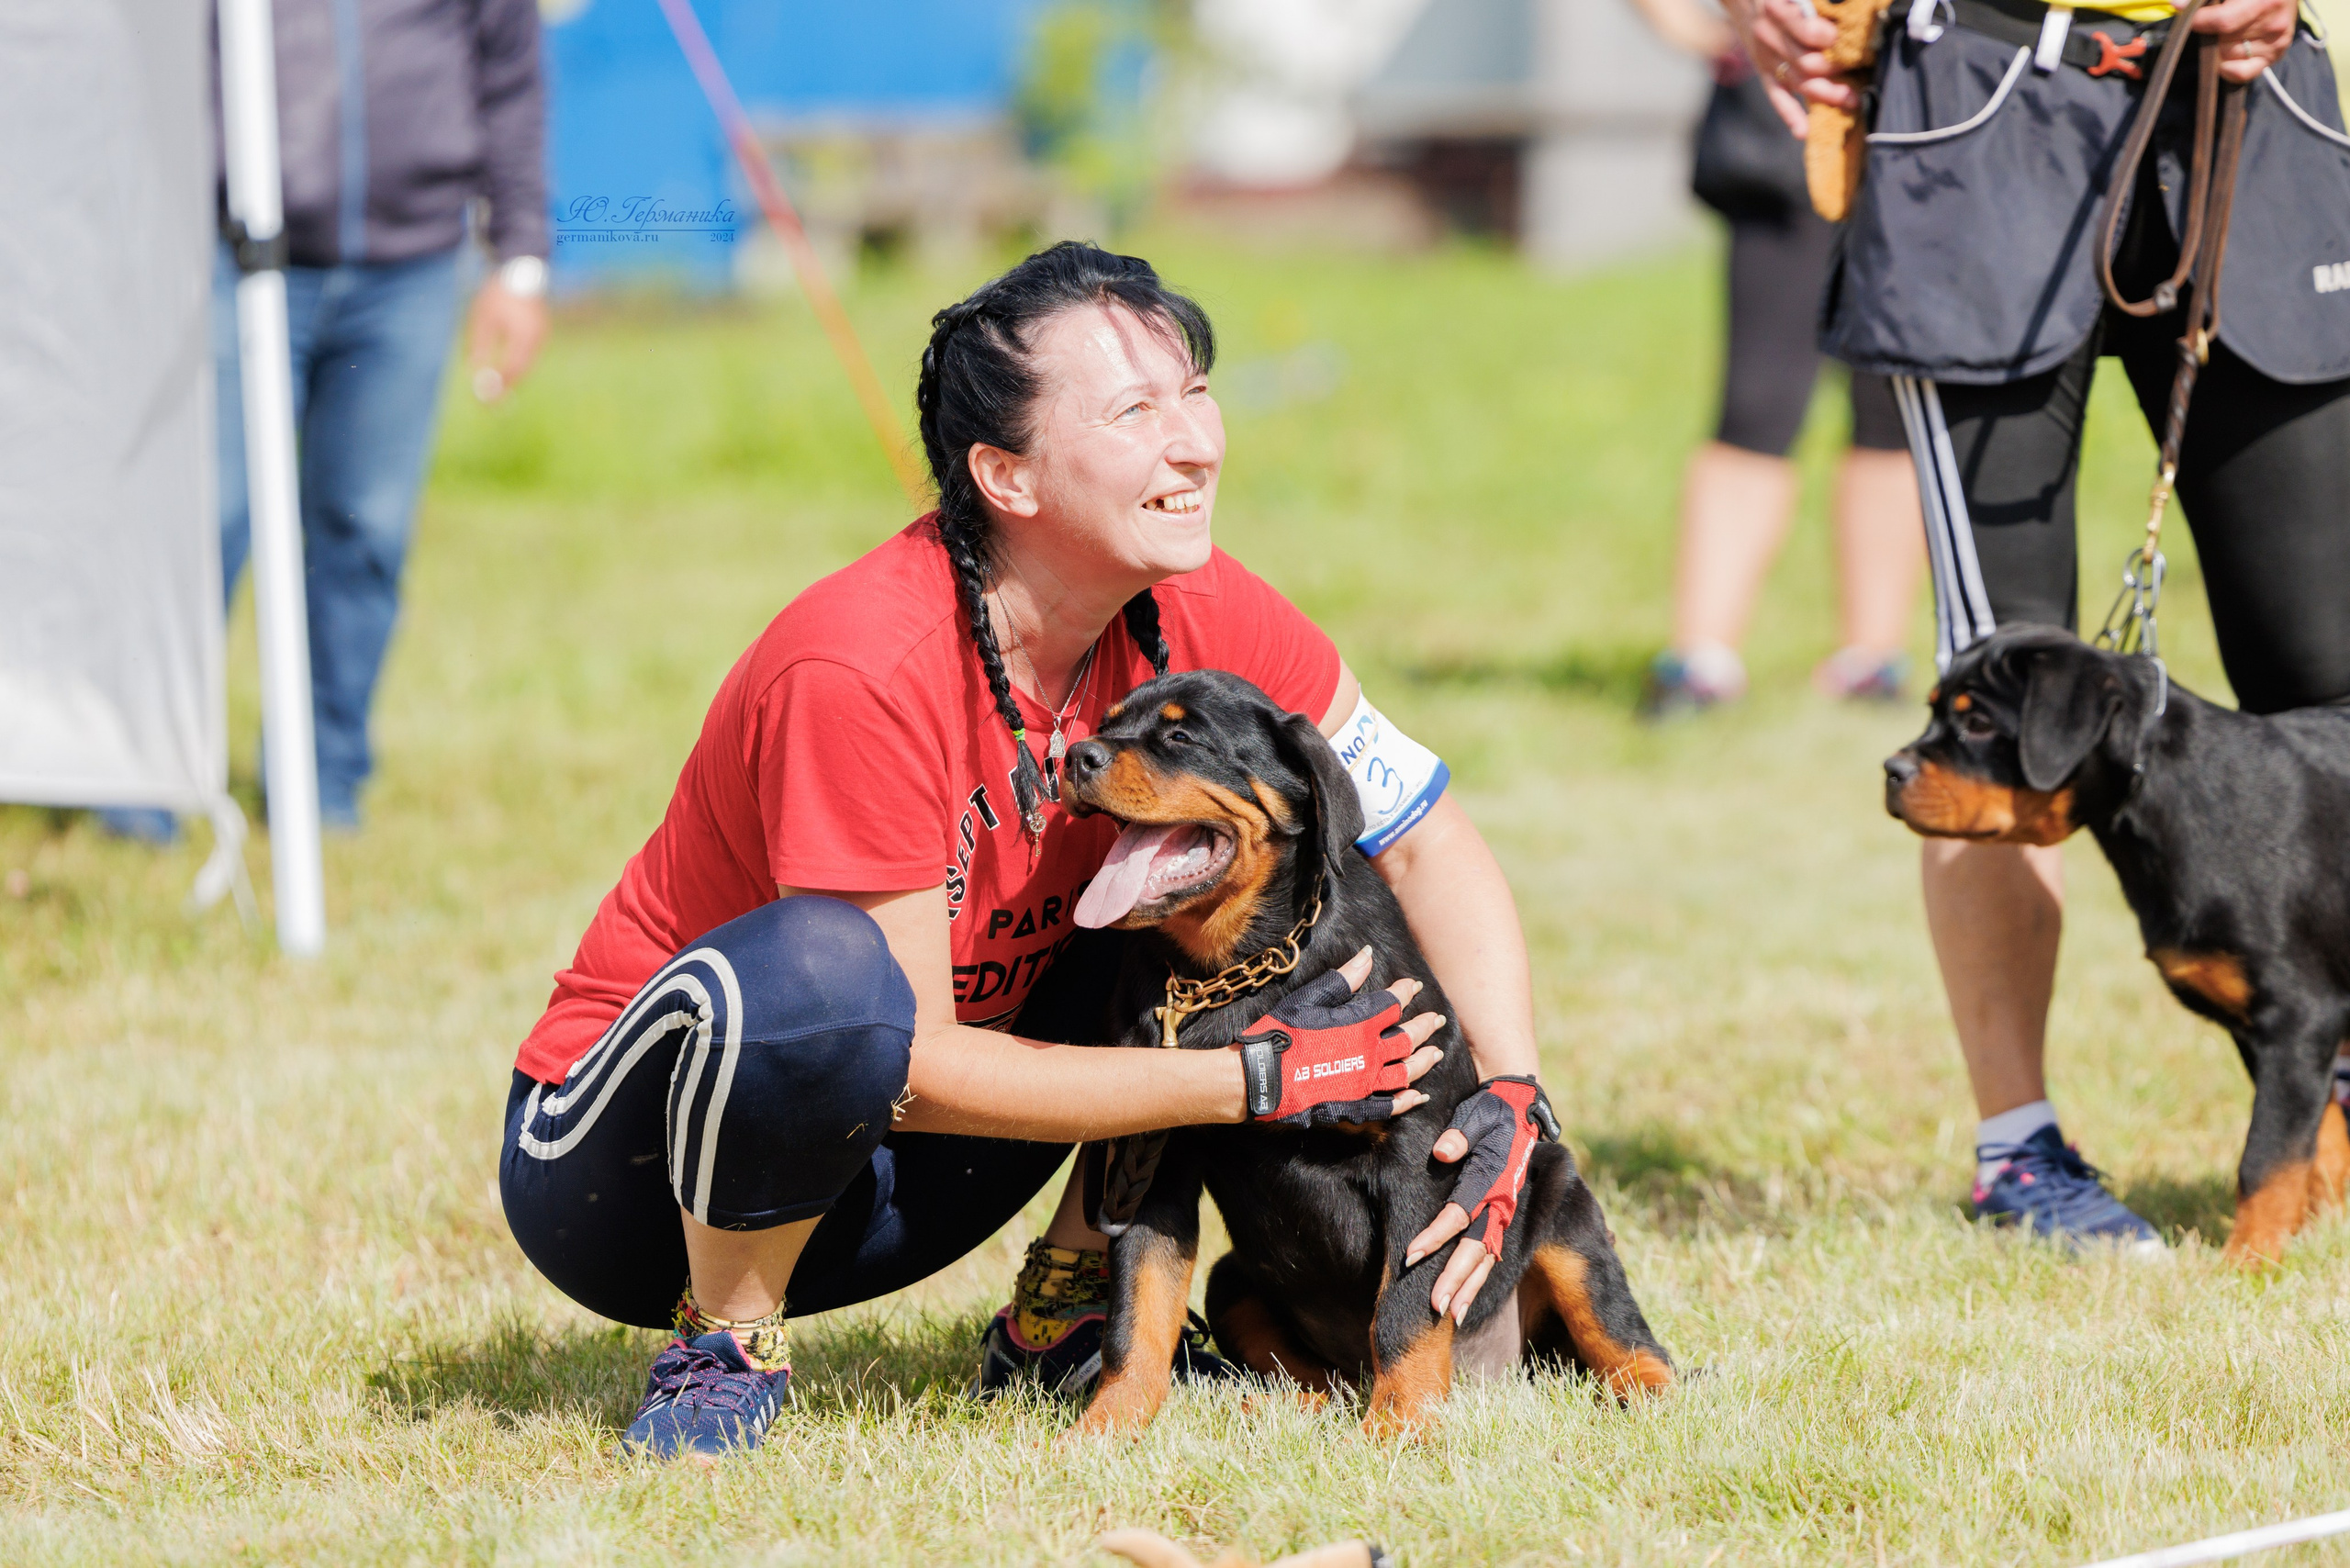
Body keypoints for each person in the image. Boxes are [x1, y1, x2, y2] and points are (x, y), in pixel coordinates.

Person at [500, 243, 1569, 1459]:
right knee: (821, 971)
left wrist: (1509, 1092)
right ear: (1005, 474)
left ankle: (1061, 1319)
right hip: (631, 1175)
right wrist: (1259, 1080)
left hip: (909, 1182)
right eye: (1136, 410)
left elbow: (1422, 840)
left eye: (1197, 393)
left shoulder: (1203, 613)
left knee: (1227, 902)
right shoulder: (861, 664)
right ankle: (727, 1342)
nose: (1197, 443)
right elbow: (897, 1056)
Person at [1729, 0, 2350, 1246]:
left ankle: (2326, 1096)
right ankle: (2022, 1156)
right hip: (1979, 106)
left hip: (2251, 95)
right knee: (1991, 717)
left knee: (2330, 672)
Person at [105, 0, 550, 844]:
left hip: (409, 265)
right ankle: (143, 775)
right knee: (200, 518)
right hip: (224, 251)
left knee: (366, 532)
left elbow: (512, 75)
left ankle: (321, 782)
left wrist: (519, 261)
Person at [1633, 0, 1927, 718]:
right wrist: (1703, 28)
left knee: (1892, 409)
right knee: (1758, 405)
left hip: (1926, 118)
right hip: (1788, 127)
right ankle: (1700, 660)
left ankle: (1873, 661)